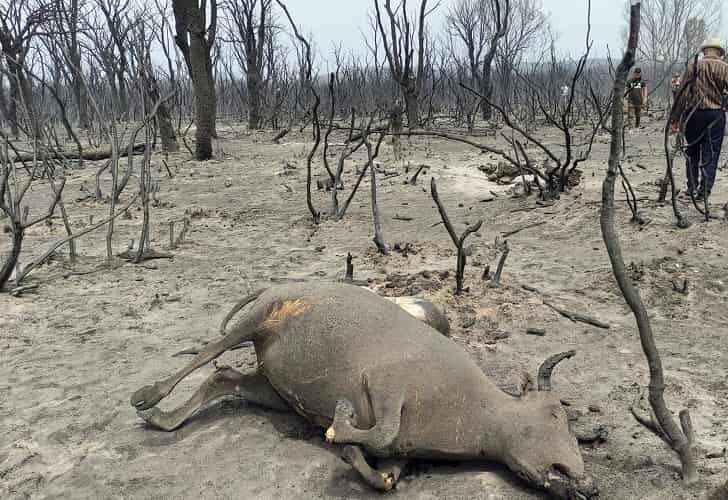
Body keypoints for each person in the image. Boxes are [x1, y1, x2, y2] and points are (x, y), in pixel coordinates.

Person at [671, 38, 728, 200]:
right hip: (715, 115)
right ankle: (705, 190)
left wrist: (676, 118)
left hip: (693, 115)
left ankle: (692, 187)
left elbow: (682, 94)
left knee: (692, 151)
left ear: (704, 51)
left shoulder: (693, 66)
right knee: (711, 153)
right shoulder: (725, 68)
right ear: (719, 52)